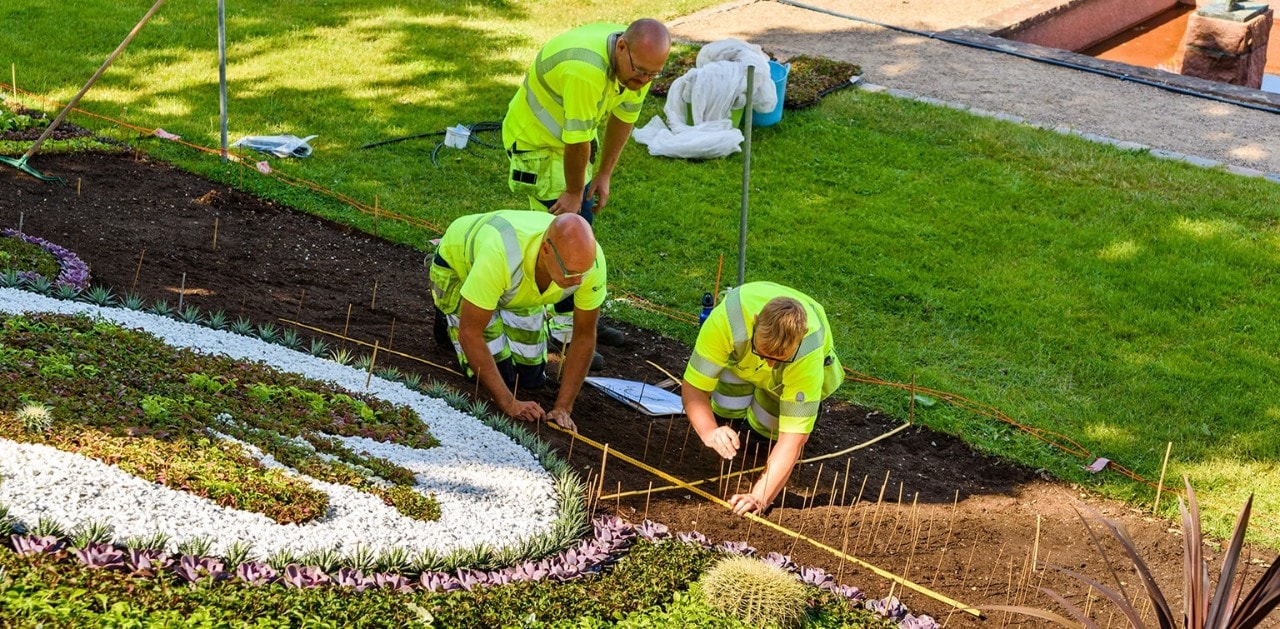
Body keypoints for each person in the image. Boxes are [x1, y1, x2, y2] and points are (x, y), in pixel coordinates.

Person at [502, 18, 672, 352]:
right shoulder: (586, 70)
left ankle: (579, 317)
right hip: (535, 143)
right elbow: (577, 142)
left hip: (568, 143)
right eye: (641, 72)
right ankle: (563, 327)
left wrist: (604, 174)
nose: (645, 80)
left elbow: (624, 118)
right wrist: (573, 192)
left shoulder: (641, 63)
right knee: (563, 233)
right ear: (621, 47)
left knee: (581, 227)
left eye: (654, 75)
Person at [428, 210, 606, 431]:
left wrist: (563, 407)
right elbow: (470, 332)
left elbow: (584, 335)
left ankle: (497, 307)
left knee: (531, 378)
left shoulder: (590, 263)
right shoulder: (501, 252)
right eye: (570, 273)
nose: (578, 281)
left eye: (584, 272)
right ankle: (446, 318)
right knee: (500, 376)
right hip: (459, 269)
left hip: (516, 288)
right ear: (546, 250)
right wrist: (508, 403)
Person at [682, 282, 843, 516]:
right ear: (755, 322)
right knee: (723, 410)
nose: (769, 364)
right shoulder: (726, 321)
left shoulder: (808, 353)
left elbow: (793, 439)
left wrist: (760, 496)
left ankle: (756, 434)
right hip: (740, 364)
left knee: (764, 433)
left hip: (786, 380)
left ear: (800, 340)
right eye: (763, 353)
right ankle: (731, 422)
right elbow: (694, 388)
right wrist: (709, 431)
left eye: (778, 358)